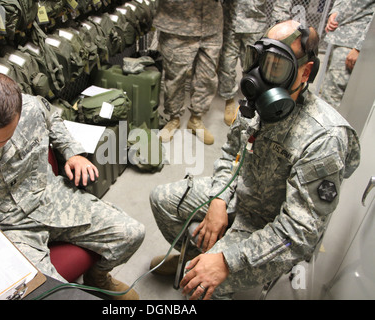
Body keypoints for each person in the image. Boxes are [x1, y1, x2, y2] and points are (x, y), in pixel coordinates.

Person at [149, 20, 360, 300]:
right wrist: (218, 198)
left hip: (271, 225)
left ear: (305, 72)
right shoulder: (257, 106)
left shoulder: (324, 137)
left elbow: (298, 234)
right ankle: (194, 258)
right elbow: (229, 155)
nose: (258, 75)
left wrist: (227, 261)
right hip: (239, 195)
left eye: (275, 65)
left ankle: (205, 269)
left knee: (201, 289)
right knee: (161, 199)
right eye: (257, 59)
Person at [0, 71, 145, 300]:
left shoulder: (31, 107)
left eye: (3, 140)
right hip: (9, 229)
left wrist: (72, 152)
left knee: (132, 234)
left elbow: (53, 119)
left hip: (52, 199)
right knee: (57, 295)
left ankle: (97, 277)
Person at [154, 0, 223, 145]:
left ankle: (196, 120)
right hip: (177, 23)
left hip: (211, 23)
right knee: (175, 77)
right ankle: (174, 119)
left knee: (207, 76)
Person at [219, 0, 268, 126]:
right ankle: (229, 99)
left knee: (253, 67)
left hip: (254, 23)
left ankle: (251, 101)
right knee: (226, 65)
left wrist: (279, 22)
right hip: (230, 22)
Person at [321, 0, 375, 109]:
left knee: (333, 101)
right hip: (339, 39)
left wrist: (360, 47)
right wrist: (335, 12)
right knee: (327, 94)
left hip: (352, 46)